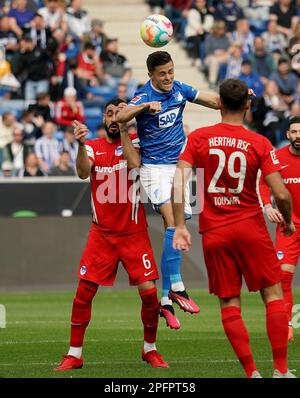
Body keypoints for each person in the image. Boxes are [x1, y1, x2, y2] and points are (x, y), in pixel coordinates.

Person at [172, 78, 296, 378]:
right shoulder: (260, 143)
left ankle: (251, 372)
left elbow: (178, 181)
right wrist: (289, 221)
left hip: (214, 232)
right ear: (248, 105)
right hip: (250, 227)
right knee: (273, 294)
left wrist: (179, 226)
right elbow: (280, 193)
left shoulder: (200, 138)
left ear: (219, 104)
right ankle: (280, 370)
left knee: (230, 301)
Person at [54, 98, 168, 371]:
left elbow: (134, 165)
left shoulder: (137, 142)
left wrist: (127, 128)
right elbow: (83, 172)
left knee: (150, 295)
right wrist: (80, 144)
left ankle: (149, 349)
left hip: (134, 233)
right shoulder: (92, 146)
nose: (113, 117)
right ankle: (74, 354)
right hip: (101, 235)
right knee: (83, 293)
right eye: (109, 113)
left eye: (119, 112)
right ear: (103, 120)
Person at [116, 50, 219, 330]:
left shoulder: (180, 89)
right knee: (173, 222)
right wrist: (144, 108)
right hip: (155, 169)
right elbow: (122, 116)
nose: (168, 77)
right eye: (162, 74)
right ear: (151, 75)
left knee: (176, 227)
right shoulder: (142, 95)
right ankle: (176, 285)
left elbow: (212, 100)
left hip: (180, 169)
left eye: (171, 71)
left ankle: (164, 299)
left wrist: (236, 99)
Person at [259, 116, 300, 341]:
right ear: (287, 135)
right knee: (283, 277)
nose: (298, 136)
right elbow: (264, 182)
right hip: (288, 226)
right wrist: (267, 206)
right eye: (294, 132)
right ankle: (286, 324)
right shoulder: (277, 158)